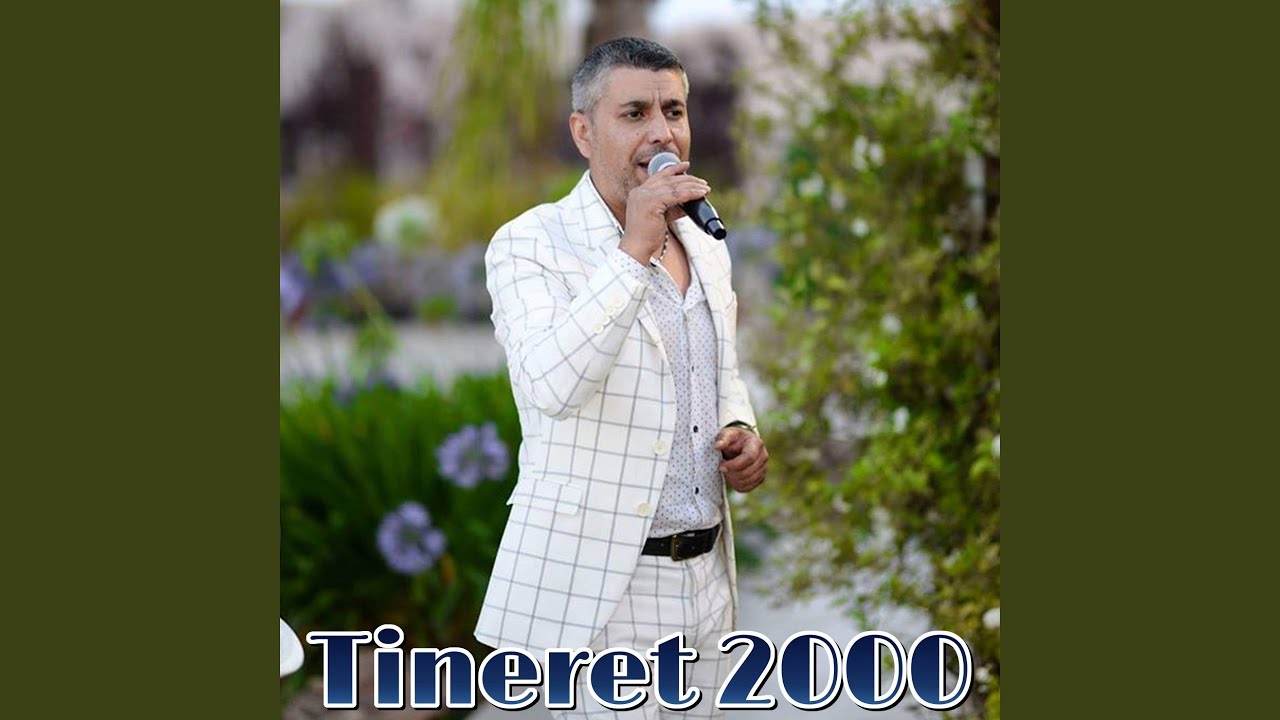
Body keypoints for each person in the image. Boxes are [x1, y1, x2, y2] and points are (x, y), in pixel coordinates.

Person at [475, 37, 769, 718]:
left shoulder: (704, 245)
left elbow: (719, 369)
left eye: (674, 111)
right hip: (603, 585)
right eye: (635, 113)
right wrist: (633, 249)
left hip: (706, 578)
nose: (662, 132)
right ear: (584, 132)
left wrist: (742, 428)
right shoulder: (530, 244)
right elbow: (552, 385)